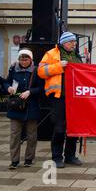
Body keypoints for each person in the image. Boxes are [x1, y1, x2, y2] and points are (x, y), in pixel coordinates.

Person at [38, 32, 83, 168]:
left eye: (74, 42)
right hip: (59, 97)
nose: (74, 45)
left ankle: (70, 156)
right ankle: (57, 157)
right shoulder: (51, 54)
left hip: (74, 98)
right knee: (59, 128)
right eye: (71, 42)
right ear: (64, 43)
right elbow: (41, 71)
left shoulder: (76, 56)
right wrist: (59, 66)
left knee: (73, 128)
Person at [3, 49, 44, 169]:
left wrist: (30, 92)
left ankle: (29, 159)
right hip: (15, 106)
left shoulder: (36, 71)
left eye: (26, 59)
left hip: (31, 106)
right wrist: (9, 88)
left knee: (31, 135)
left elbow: (41, 88)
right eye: (21, 59)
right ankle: (14, 160)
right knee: (15, 134)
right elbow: (6, 82)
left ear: (31, 59)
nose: (24, 61)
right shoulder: (13, 69)